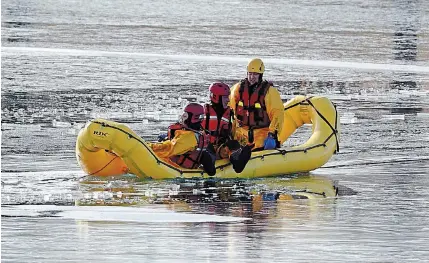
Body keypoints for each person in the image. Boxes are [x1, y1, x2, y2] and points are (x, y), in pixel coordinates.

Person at [229, 58, 284, 151]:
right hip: (242, 136)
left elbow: (277, 113)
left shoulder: (269, 92)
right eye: (250, 73)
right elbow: (230, 109)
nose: (252, 77)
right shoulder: (238, 89)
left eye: (255, 74)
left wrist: (272, 134)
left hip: (261, 137)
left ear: (261, 75)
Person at [149, 103, 216, 176]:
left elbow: (169, 149)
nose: (183, 118)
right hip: (186, 162)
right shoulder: (198, 133)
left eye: (185, 115)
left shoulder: (189, 137)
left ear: (190, 117)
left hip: (173, 167)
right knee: (162, 137)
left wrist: (149, 146)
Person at [201, 82, 252, 173]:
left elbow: (235, 133)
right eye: (225, 97)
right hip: (205, 148)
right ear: (216, 97)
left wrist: (245, 142)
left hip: (221, 149)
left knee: (233, 143)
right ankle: (209, 165)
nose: (228, 100)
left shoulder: (230, 115)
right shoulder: (204, 112)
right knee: (208, 149)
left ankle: (238, 162)